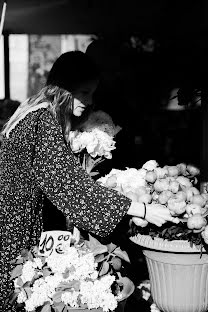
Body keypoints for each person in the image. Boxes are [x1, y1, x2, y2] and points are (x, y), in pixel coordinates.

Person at [0, 51, 178, 311]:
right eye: (84, 91)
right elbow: (71, 187)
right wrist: (143, 210)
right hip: (13, 230)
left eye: (92, 92)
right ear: (65, 87)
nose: (90, 101)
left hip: (14, 222)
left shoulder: (34, 112)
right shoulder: (42, 120)